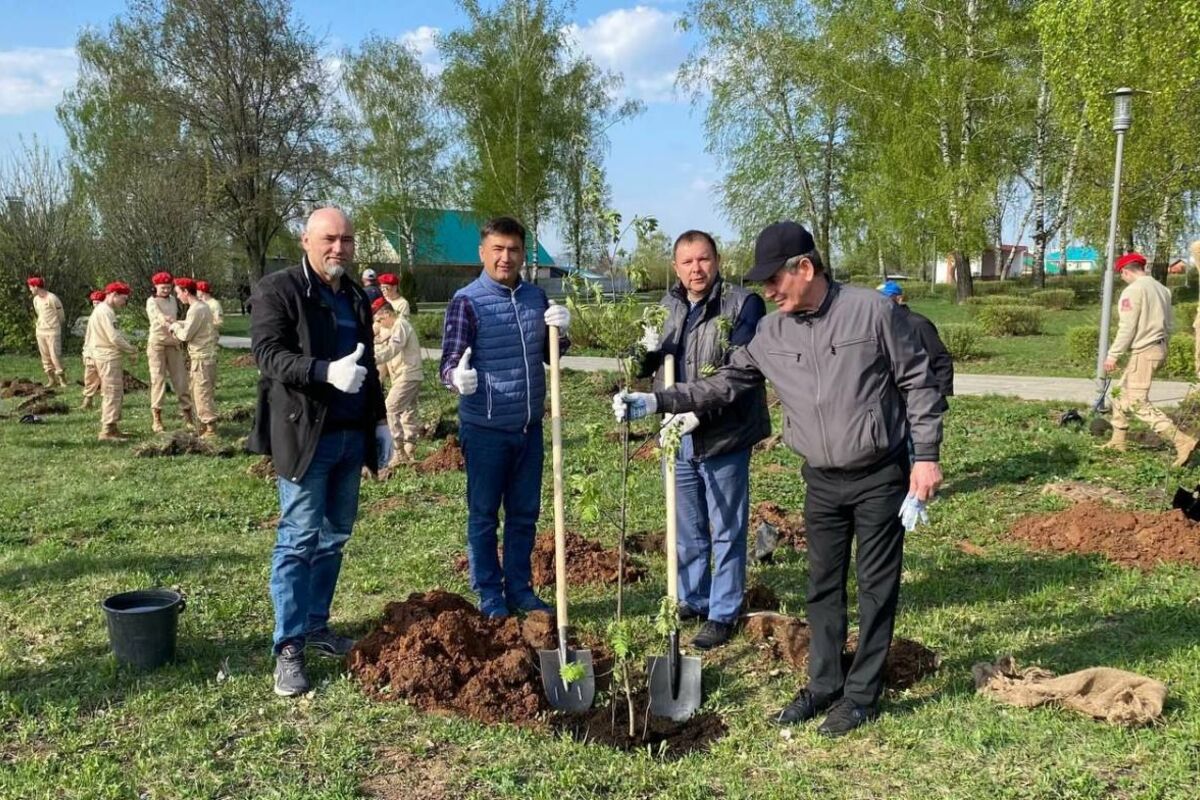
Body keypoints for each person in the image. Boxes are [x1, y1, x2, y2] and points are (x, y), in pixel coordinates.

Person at [614, 221, 944, 736]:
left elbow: (919, 382)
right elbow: (725, 382)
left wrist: (925, 455)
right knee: (822, 586)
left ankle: (860, 695)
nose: (767, 291)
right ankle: (823, 683)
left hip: (880, 473)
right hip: (821, 479)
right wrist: (659, 400)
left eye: (773, 280)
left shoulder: (871, 312)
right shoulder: (772, 332)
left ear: (804, 268)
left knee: (876, 588)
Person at [247, 207, 390, 698]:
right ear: (306, 240)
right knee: (298, 538)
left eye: (347, 240)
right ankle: (288, 647)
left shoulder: (354, 294)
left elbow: (367, 363)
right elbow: (268, 355)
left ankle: (315, 624)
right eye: (329, 238)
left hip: (352, 436)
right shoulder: (278, 289)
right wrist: (324, 372)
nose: (339, 248)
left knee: (335, 536)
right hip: (307, 437)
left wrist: (380, 421)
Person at [635, 230, 769, 650]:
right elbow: (645, 366)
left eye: (704, 259)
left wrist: (696, 412)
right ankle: (693, 596)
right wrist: (644, 348)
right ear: (675, 267)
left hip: (724, 432)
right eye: (687, 261)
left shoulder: (743, 305)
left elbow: (740, 375)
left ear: (718, 260)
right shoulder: (666, 306)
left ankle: (723, 610)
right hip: (676, 434)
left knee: (726, 526)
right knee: (686, 525)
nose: (697, 269)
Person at [439, 215, 570, 618]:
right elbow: (447, 363)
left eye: (513, 250)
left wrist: (562, 334)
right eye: (497, 249)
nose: (505, 258)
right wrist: (457, 378)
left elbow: (550, 356)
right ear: (483, 253)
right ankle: (490, 594)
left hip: (528, 428)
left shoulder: (535, 297)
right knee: (483, 516)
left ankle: (520, 588)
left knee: (524, 515)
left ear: (523, 253)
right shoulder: (467, 301)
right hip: (485, 430)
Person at [1101, 252, 1196, 466]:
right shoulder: (1162, 289)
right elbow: (1170, 324)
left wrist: (1113, 355)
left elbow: (1127, 327)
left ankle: (1181, 441)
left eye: (1122, 275)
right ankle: (1118, 440)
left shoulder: (1133, 291)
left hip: (1144, 350)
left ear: (1125, 271)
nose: (1123, 278)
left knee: (1136, 401)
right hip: (1159, 347)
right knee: (1118, 392)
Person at [877, 281, 954, 403]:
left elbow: (941, 359)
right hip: (889, 399)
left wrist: (940, 394)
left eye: (886, 299)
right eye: (878, 299)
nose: (881, 304)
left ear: (899, 299)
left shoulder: (918, 324)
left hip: (919, 397)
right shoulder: (879, 325)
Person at [372, 297, 423, 465]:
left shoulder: (400, 325)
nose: (380, 324)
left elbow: (393, 349)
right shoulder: (394, 326)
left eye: (380, 319)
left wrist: (372, 359)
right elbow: (381, 339)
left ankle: (399, 451)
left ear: (387, 313)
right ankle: (410, 448)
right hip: (405, 375)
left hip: (408, 375)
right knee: (408, 410)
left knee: (390, 408)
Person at [87, 282, 139, 441]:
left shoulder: (102, 310)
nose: (124, 303)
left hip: (103, 355)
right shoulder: (105, 312)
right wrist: (132, 350)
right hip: (107, 357)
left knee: (114, 391)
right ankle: (107, 431)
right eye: (124, 299)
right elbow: (114, 337)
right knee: (112, 392)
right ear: (114, 295)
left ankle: (113, 426)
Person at [170, 278, 220, 438]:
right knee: (201, 390)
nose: (177, 297)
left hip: (201, 358)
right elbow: (195, 324)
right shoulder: (202, 306)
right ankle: (205, 426)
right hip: (207, 357)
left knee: (201, 392)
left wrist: (175, 327)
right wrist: (179, 321)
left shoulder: (195, 309)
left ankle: (210, 428)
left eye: (178, 293)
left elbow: (185, 336)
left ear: (186, 291)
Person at [145, 271, 193, 434]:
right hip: (157, 344)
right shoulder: (151, 301)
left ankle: (188, 415)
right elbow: (157, 316)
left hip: (173, 343)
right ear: (156, 287)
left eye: (168, 287)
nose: (165, 290)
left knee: (180, 379)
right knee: (158, 380)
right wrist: (166, 321)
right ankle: (157, 418)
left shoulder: (173, 300)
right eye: (162, 288)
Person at [28, 276, 66, 387]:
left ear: (36, 287)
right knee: (45, 356)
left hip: (53, 331)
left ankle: (62, 379)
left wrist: (55, 325)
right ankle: (51, 380)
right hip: (41, 331)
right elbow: (38, 313)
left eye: (31, 287)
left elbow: (61, 316)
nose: (30, 289)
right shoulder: (35, 300)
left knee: (55, 355)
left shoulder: (52, 298)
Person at [80, 290, 106, 410]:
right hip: (91, 349)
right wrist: (86, 349)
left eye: (99, 303)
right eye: (94, 303)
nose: (96, 305)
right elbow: (89, 335)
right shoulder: (92, 317)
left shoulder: (107, 315)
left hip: (103, 350)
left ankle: (105, 402)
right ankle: (88, 400)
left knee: (105, 376)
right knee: (89, 375)